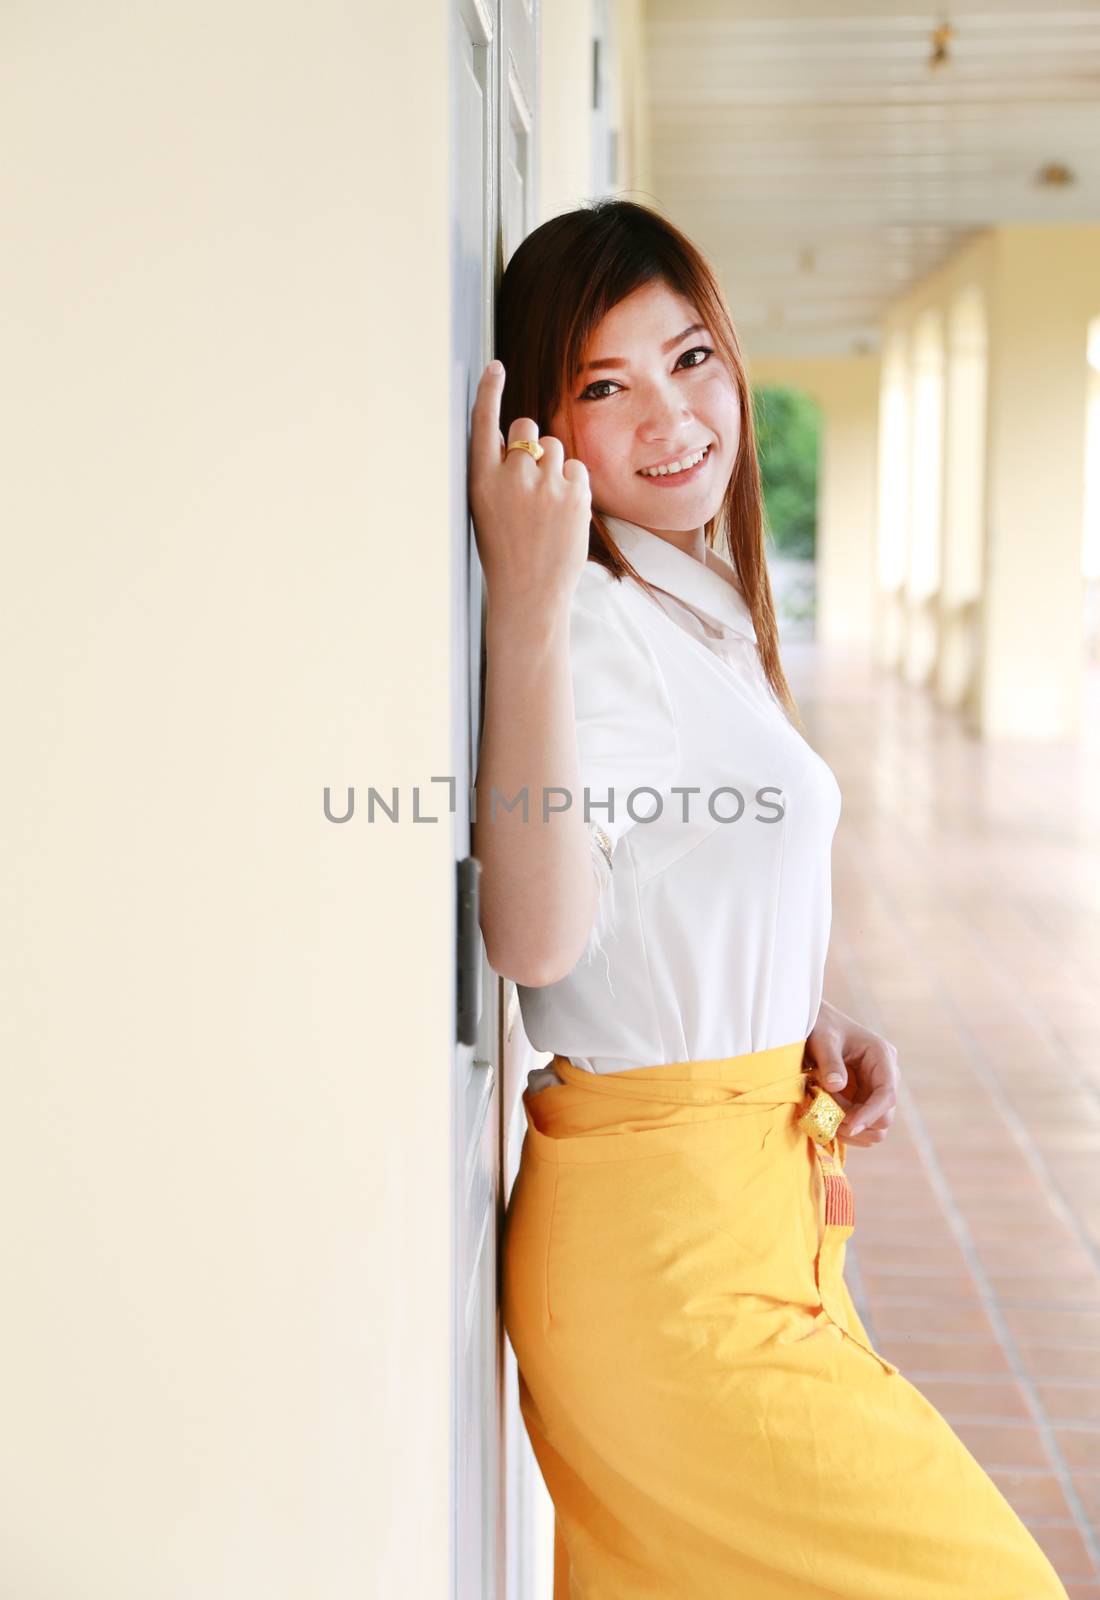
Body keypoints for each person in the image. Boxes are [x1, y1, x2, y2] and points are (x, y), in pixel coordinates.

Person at [469, 199, 1067, 1599]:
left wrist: (809, 1003)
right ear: (546, 433)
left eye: (690, 360)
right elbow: (539, 938)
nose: (670, 417)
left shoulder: (697, 601)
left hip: (738, 1208)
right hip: (665, 1259)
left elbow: (675, 880)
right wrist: (530, 603)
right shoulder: (598, 622)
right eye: (603, 388)